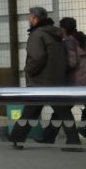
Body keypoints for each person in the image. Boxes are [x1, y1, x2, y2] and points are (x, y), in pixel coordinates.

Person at [11, 8, 79, 147]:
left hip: (40, 82)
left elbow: (37, 58)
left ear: (35, 19)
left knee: (29, 113)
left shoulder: (37, 35)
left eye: (30, 17)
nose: (29, 19)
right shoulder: (56, 34)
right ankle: (73, 141)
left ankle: (16, 140)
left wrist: (28, 70)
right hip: (56, 80)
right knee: (63, 111)